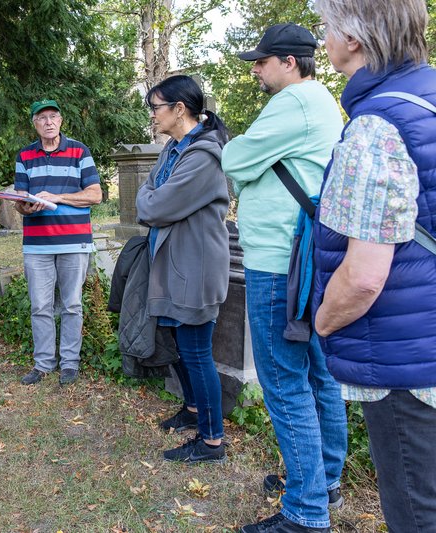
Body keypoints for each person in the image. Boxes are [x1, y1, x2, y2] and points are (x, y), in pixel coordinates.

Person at [311, 1, 436, 530]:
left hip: (406, 362)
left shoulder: (376, 125)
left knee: (416, 511)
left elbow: (363, 276)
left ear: (354, 38)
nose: (323, 37)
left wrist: (321, 322)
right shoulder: (426, 101)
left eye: (327, 25)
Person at [220, 24, 348, 533]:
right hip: (306, 258)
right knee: (319, 376)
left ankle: (305, 512)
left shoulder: (292, 104)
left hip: (278, 262)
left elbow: (235, 160)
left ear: (289, 62)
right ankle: (324, 482)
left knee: (284, 384)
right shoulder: (322, 102)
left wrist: (249, 160)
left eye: (261, 61)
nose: (255, 69)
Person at [135, 75, 230, 463]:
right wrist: (151, 197)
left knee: (195, 351)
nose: (152, 116)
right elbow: (147, 194)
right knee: (178, 345)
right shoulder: (173, 149)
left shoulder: (204, 156)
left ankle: (212, 441)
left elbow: (154, 206)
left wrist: (152, 198)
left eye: (156, 108)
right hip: (173, 263)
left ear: (179, 109)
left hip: (196, 265)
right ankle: (192, 411)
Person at [14, 99, 102, 386]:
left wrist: (58, 197)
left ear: (61, 120)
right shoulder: (24, 155)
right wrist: (26, 206)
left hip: (73, 242)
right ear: (35, 124)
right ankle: (42, 364)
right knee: (40, 306)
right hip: (37, 245)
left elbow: (95, 195)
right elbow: (20, 200)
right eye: (42, 118)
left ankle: (69, 363)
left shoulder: (80, 151)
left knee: (72, 304)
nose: (48, 122)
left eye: (53, 116)